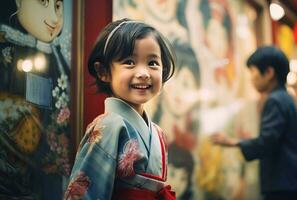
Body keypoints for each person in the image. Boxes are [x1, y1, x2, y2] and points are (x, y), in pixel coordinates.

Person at [64, 18, 176, 200]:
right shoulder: (108, 126)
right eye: (129, 62)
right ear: (104, 72)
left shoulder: (158, 133)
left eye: (153, 63)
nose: (143, 73)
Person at [211, 46, 297, 200]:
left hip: (283, 185)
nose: (251, 78)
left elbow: (267, 141)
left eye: (253, 71)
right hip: (291, 184)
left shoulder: (274, 100)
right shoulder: (285, 98)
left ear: (269, 73)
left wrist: (231, 141)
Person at [0, 0, 71, 199]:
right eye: (43, 2)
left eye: (58, 6)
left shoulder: (58, 57)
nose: (55, 18)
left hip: (50, 167)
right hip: (16, 173)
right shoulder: (10, 52)